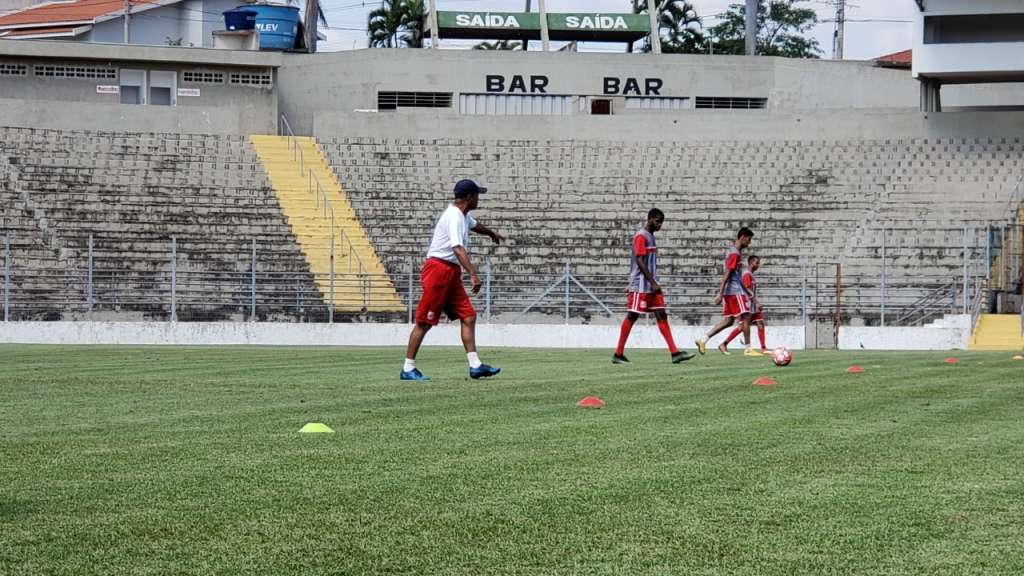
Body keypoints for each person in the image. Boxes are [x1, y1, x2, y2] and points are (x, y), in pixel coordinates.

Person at [400, 179, 504, 381]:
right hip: (438, 270)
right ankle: (408, 368)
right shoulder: (454, 217)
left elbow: (475, 225)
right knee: (424, 322)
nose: (479, 199)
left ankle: (475, 365)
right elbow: (457, 248)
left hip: (451, 272)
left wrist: (491, 233)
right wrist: (473, 273)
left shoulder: (463, 216)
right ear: (469, 197)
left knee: (468, 316)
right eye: (477, 195)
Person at [612, 209, 696, 364]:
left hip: (650, 285)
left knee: (661, 314)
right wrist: (651, 282)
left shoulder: (650, 236)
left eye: (661, 222)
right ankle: (618, 354)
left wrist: (653, 283)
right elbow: (639, 261)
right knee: (632, 315)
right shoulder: (641, 236)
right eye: (657, 221)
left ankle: (675, 353)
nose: (659, 225)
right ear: (649, 219)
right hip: (642, 285)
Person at [695, 227, 760, 357]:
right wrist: (720, 292)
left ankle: (703, 339)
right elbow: (727, 273)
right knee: (747, 316)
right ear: (743, 237)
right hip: (734, 292)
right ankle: (748, 349)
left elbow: (736, 275)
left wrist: (747, 291)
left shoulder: (734, 252)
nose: (749, 243)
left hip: (733, 291)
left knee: (729, 320)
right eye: (749, 239)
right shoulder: (735, 254)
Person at [720, 255, 769, 354]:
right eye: (757, 263)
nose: (758, 265)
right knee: (742, 327)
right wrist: (756, 303)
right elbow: (747, 290)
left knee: (760, 323)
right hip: (748, 304)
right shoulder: (746, 274)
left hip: (753, 305)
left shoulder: (750, 274)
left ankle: (763, 348)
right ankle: (724, 343)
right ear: (751, 263)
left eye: (758, 263)